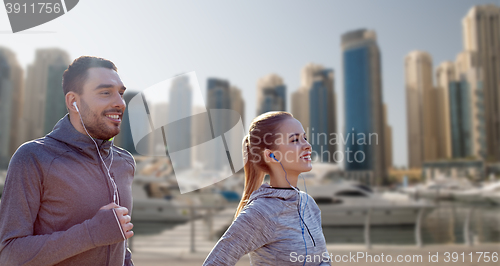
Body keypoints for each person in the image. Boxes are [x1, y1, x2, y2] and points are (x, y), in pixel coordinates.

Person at [0, 56, 135, 265]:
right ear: (74, 102)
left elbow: (119, 246)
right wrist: (91, 233)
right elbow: (9, 255)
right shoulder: (33, 157)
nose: (119, 103)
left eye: (121, 93)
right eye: (105, 93)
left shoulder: (124, 162)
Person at [203, 111, 331, 266]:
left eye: (305, 138)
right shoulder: (262, 211)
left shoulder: (308, 204)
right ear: (271, 155)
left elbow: (323, 260)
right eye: (295, 140)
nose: (307, 146)